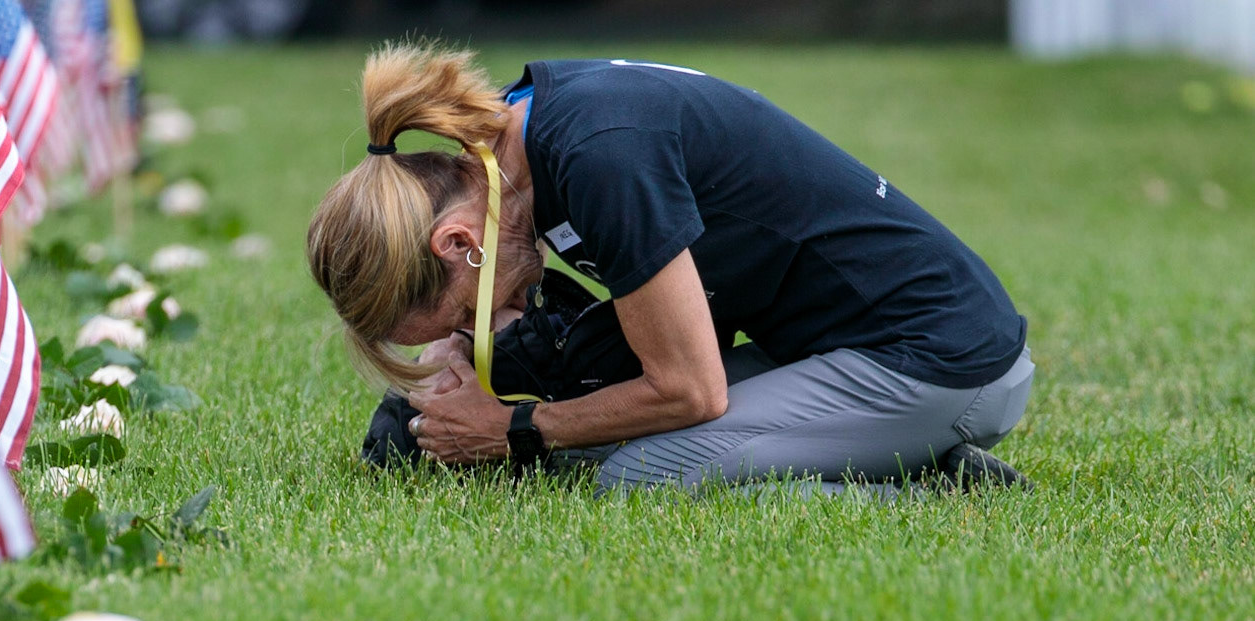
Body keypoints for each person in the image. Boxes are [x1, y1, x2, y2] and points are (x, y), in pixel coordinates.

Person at [306, 44, 1035, 492]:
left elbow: (688, 387)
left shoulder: (600, 158)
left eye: (467, 316)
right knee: (611, 432)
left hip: (940, 364)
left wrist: (512, 428)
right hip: (842, 348)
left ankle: (929, 481)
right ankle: (893, 452)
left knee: (643, 473)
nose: (480, 329)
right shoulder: (527, 135)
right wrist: (447, 364)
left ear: (458, 242)